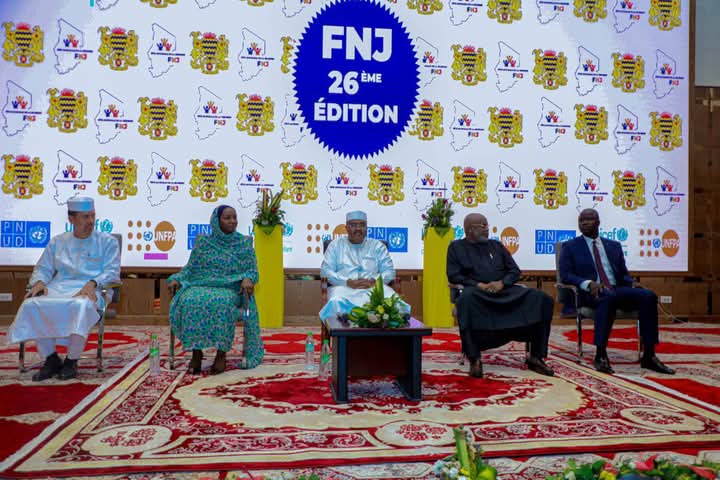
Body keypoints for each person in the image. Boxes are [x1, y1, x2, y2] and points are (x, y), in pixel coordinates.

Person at [7, 197, 121, 381]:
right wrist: (39, 282)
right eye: (85, 217)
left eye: (92, 216)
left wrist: (93, 282)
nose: (91, 221)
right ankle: (50, 359)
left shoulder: (108, 242)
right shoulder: (57, 242)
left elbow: (112, 272)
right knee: (32, 304)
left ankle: (71, 360)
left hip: (93, 288)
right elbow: (43, 268)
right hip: (59, 286)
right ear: (71, 219)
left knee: (81, 305)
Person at [558, 208, 675, 375]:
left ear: (598, 222)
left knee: (648, 296)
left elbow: (623, 274)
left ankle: (649, 355)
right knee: (607, 297)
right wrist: (588, 283)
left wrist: (632, 283)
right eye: (581, 220)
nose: (584, 223)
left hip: (616, 289)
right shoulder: (570, 246)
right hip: (591, 293)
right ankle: (600, 354)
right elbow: (566, 275)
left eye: (589, 219)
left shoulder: (613, 246)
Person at [447, 213, 555, 378]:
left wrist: (502, 283)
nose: (487, 229)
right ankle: (474, 359)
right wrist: (478, 285)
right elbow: (453, 275)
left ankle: (536, 356)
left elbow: (514, 271)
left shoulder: (496, 246)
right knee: (465, 301)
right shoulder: (456, 247)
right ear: (469, 230)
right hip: (478, 293)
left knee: (541, 299)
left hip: (503, 291)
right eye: (482, 226)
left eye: (487, 225)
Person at [168, 205, 261, 374]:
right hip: (201, 285)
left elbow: (252, 270)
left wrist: (248, 279)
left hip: (230, 288)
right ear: (216, 221)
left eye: (234, 217)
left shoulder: (243, 244)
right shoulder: (204, 243)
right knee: (189, 300)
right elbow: (190, 269)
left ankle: (221, 354)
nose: (232, 221)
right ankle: (196, 353)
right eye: (227, 218)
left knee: (222, 302)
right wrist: (176, 279)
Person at [319, 210, 409, 320]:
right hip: (343, 288)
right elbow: (325, 271)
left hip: (374, 289)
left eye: (362, 225)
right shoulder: (335, 246)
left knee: (395, 302)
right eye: (353, 225)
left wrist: (374, 281)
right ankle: (340, 330)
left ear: (366, 228)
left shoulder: (377, 246)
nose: (358, 229)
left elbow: (389, 272)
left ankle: (390, 331)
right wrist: (347, 282)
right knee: (336, 302)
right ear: (346, 228)